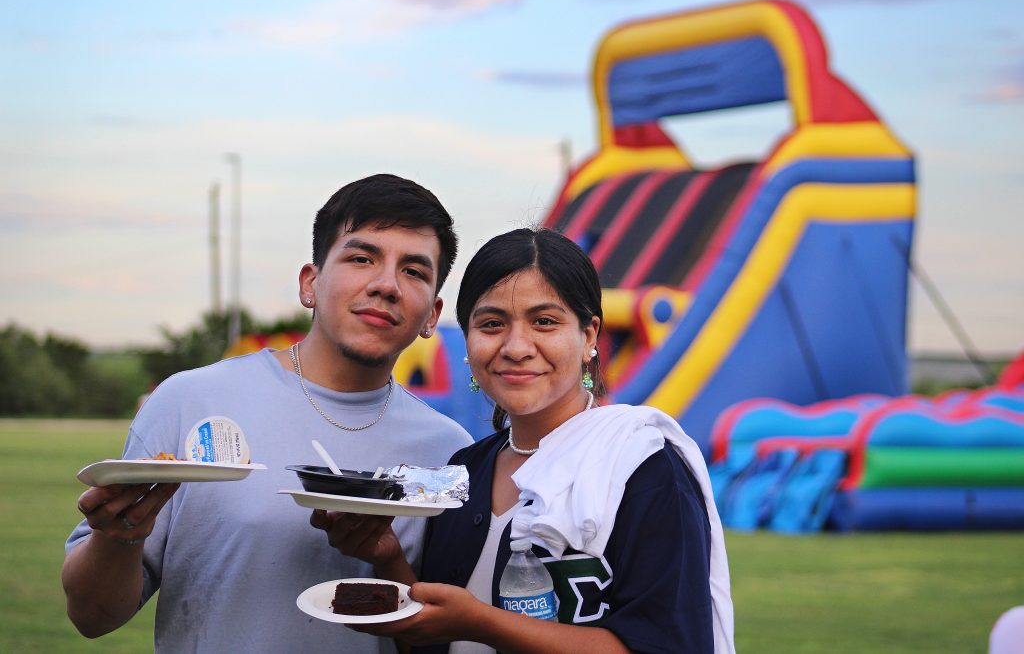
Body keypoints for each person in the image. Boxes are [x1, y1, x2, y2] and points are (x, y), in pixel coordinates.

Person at [62, 174, 474, 653]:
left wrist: (387, 560)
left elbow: (442, 643)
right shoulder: (190, 400)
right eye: (361, 258)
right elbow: (91, 617)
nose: (385, 285)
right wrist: (118, 536)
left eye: (414, 272)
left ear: (432, 315)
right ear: (310, 283)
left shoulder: (450, 451)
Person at [329, 228, 735, 653]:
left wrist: (484, 623)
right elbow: (432, 638)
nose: (516, 347)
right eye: (491, 324)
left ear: (590, 336)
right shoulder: (463, 471)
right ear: (466, 339)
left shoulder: (643, 466)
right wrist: (388, 556)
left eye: (544, 321)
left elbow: (667, 645)